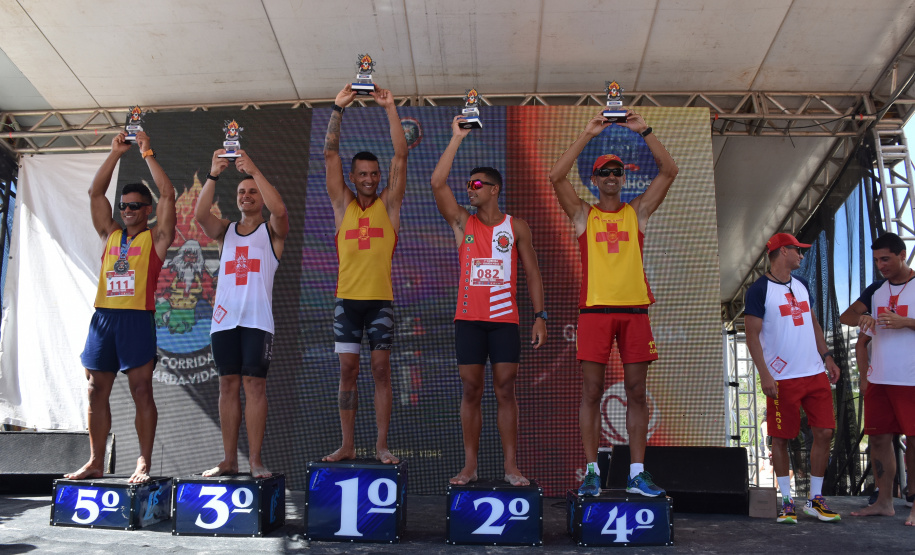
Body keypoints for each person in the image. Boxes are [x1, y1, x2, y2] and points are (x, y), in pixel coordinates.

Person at [548, 111, 678, 497]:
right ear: (594, 180)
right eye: (603, 171)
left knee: (636, 392)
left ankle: (637, 473)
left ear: (623, 178)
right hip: (594, 313)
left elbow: (669, 171)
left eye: (616, 171)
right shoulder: (582, 214)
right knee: (591, 392)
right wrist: (588, 135)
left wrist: (645, 132)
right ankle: (592, 472)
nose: (610, 176)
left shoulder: (636, 212)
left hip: (635, 312)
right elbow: (556, 177)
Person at [430, 115, 547, 486]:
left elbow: (532, 272)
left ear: (495, 189)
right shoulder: (464, 223)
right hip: (468, 318)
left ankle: (511, 466)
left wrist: (540, 315)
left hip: (504, 319)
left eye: (477, 184)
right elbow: (437, 183)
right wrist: (455, 139)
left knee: (505, 388)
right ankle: (470, 466)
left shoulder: (516, 227)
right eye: (468, 185)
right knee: (471, 388)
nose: (470, 189)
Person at [67, 131, 176, 483]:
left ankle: (143, 461)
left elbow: (169, 194)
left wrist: (147, 152)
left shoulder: (156, 238)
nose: (127, 211)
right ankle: (96, 461)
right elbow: (95, 193)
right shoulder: (110, 234)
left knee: (142, 390)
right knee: (95, 389)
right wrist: (115, 153)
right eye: (124, 206)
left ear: (146, 210)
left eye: (134, 206)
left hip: (135, 319)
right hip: (103, 319)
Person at [322, 83, 407, 464]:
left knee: (381, 371)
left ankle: (382, 444)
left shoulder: (389, 204)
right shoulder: (343, 205)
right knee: (348, 374)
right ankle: (347, 444)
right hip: (346, 304)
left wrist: (390, 108)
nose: (370, 178)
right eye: (363, 174)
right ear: (353, 178)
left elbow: (401, 158)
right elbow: (329, 154)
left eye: (374, 173)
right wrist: (338, 109)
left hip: (380, 303)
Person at [194, 149, 288, 478]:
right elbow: (200, 214)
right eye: (242, 192)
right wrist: (214, 174)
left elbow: (280, 209)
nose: (246, 196)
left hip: (257, 322)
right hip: (223, 322)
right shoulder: (225, 231)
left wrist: (254, 169)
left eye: (252, 192)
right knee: (227, 386)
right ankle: (229, 460)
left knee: (255, 386)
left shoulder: (272, 232)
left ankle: (256, 460)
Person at [743, 233, 841, 523]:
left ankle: (815, 499)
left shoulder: (802, 284)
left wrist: (827, 357)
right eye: (797, 250)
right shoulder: (758, 290)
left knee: (824, 432)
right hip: (782, 379)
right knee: (782, 439)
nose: (801, 255)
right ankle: (787, 502)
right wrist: (765, 374)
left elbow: (812, 322)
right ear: (782, 251)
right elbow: (751, 336)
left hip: (814, 372)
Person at [840, 233, 915, 525]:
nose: (881, 265)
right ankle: (884, 502)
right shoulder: (877, 289)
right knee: (879, 438)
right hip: (880, 378)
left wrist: (906, 322)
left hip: (911, 379)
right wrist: (867, 315)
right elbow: (847, 316)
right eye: (876, 260)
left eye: (885, 258)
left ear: (902, 254)